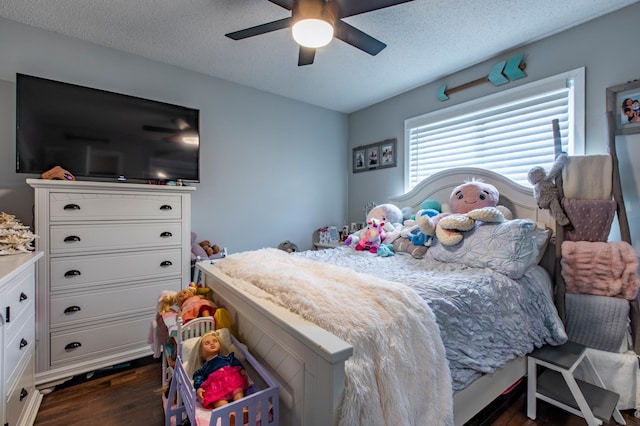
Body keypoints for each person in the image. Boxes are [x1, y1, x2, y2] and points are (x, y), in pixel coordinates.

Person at [192, 331, 249, 409]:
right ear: (201, 353)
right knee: (219, 402)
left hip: (231, 382)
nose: (212, 344)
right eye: (207, 343)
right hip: (216, 389)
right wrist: (199, 388)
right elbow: (197, 377)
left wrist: (241, 368)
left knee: (238, 393)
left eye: (215, 341)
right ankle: (229, 415)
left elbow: (235, 362)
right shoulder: (204, 368)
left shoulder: (226, 358)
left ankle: (243, 409)